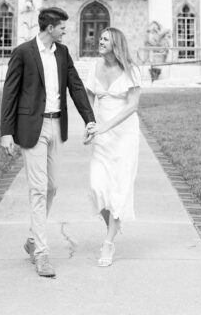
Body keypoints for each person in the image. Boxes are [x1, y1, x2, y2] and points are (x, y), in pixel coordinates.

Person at [0, 6, 96, 278]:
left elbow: (76, 86)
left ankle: (32, 239)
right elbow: (10, 93)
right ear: (50, 28)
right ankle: (42, 253)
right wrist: (6, 132)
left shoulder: (63, 53)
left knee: (52, 186)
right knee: (39, 189)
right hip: (33, 127)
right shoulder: (23, 53)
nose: (66, 31)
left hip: (57, 124)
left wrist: (89, 118)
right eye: (62, 27)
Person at [84, 26, 141, 267]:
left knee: (119, 190)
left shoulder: (131, 70)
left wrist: (106, 127)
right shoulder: (93, 67)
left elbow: (132, 106)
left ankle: (108, 243)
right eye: (100, 38)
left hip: (124, 136)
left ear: (116, 43)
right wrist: (89, 126)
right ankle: (114, 224)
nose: (100, 41)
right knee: (97, 188)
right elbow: (88, 99)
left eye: (105, 39)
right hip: (102, 136)